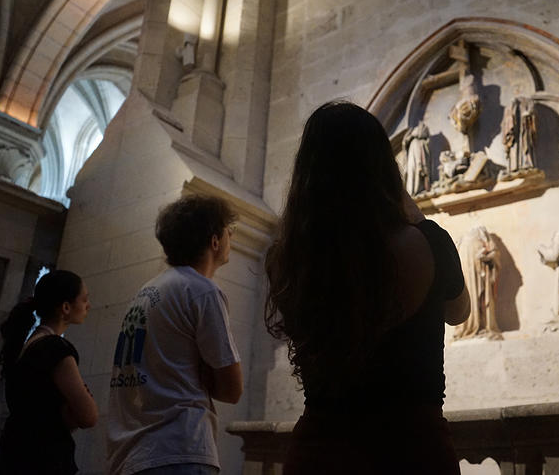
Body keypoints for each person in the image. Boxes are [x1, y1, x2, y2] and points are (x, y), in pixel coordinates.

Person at [265, 101, 470, 475]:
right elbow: (459, 312)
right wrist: (418, 215)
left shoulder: (288, 259)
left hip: (319, 452)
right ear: (383, 168)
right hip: (410, 450)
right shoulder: (427, 242)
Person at [107, 195, 242, 475]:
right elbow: (231, 389)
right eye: (228, 230)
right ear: (215, 241)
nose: (232, 236)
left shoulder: (146, 292)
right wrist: (205, 372)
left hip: (132, 453)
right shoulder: (202, 291)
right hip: (179, 448)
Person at [0, 270, 97, 475]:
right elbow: (88, 416)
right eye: (84, 299)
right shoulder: (55, 349)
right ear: (66, 307)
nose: (88, 306)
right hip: (44, 459)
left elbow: (41, 410)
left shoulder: (27, 346)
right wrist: (73, 407)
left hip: (16, 455)